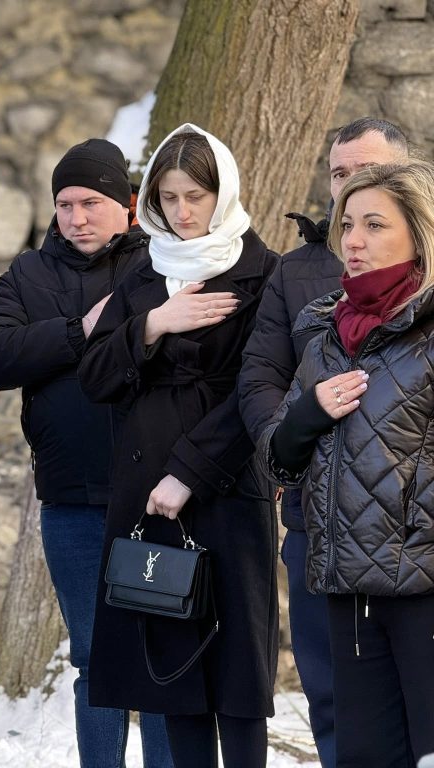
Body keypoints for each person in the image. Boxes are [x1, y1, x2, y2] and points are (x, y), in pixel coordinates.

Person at [78, 124, 279, 768]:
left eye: (195, 196)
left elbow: (259, 386)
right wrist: (154, 325)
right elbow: (96, 377)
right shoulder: (145, 270)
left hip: (225, 487)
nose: (183, 212)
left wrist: (189, 472)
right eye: (168, 198)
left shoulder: (261, 270)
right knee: (174, 673)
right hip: (147, 492)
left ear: (221, 196)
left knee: (240, 671)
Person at [0, 138, 173, 768]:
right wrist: (78, 331)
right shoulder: (29, 275)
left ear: (129, 204)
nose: (77, 218)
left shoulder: (163, 265)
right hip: (73, 504)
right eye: (64, 205)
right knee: (95, 656)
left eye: (92, 202)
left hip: (159, 503)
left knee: (164, 655)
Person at [237, 116, 409, 767]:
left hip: (410, 531)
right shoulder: (298, 273)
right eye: (339, 174)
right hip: (316, 517)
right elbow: (259, 378)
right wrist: (287, 444)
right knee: (334, 699)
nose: (348, 189)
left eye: (365, 172)